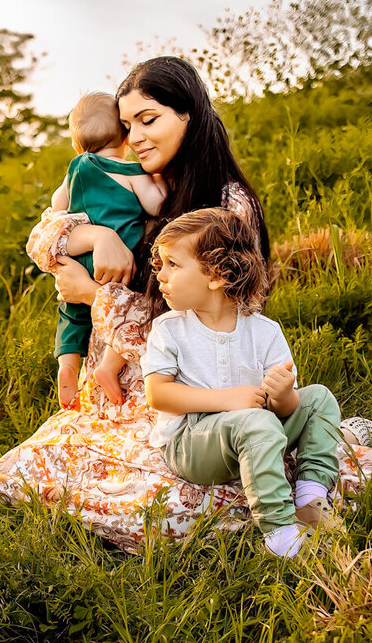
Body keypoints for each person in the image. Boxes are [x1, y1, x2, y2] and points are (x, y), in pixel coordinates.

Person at [0, 57, 372, 551]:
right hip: (134, 390)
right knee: (19, 472)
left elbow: (184, 326)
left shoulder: (224, 207)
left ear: (190, 116)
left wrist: (92, 294)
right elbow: (42, 237)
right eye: (127, 124)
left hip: (200, 385)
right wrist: (94, 234)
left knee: (166, 511)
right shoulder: (143, 183)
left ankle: (303, 468)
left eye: (149, 120)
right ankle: (293, 455)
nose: (134, 136)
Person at [143, 208, 341, 557]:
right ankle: (280, 533)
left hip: (258, 432)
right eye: (161, 263)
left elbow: (284, 409)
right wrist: (229, 399)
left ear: (217, 275)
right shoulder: (169, 329)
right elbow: (158, 395)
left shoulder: (265, 331)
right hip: (193, 443)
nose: (160, 273)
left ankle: (310, 494)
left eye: (173, 264)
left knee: (319, 399)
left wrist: (283, 397)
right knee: (258, 421)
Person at [51, 92, 166, 410]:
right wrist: (157, 179)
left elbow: (57, 207)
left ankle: (68, 365)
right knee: (127, 305)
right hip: (122, 261)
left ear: (77, 145)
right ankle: (109, 367)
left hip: (82, 258)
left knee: (71, 312)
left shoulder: (75, 169)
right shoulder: (131, 171)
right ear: (126, 135)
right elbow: (156, 204)